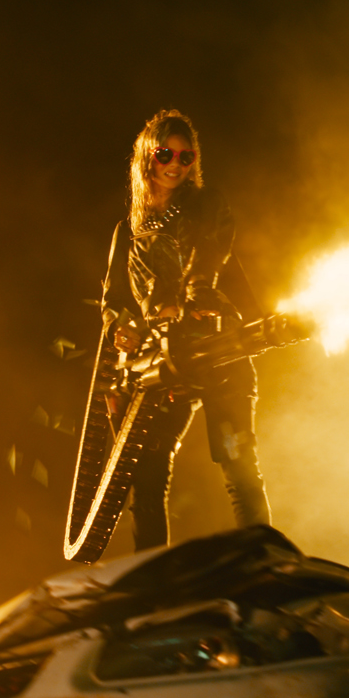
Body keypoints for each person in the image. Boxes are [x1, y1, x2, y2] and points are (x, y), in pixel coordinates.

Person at [96, 109, 270, 550]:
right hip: (161, 365)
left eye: (185, 156)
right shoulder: (127, 231)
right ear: (147, 156)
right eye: (165, 154)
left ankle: (263, 562)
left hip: (218, 349)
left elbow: (210, 252)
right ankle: (157, 576)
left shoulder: (208, 205)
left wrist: (196, 294)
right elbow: (113, 300)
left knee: (238, 465)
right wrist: (122, 329)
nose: (175, 164)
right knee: (147, 478)